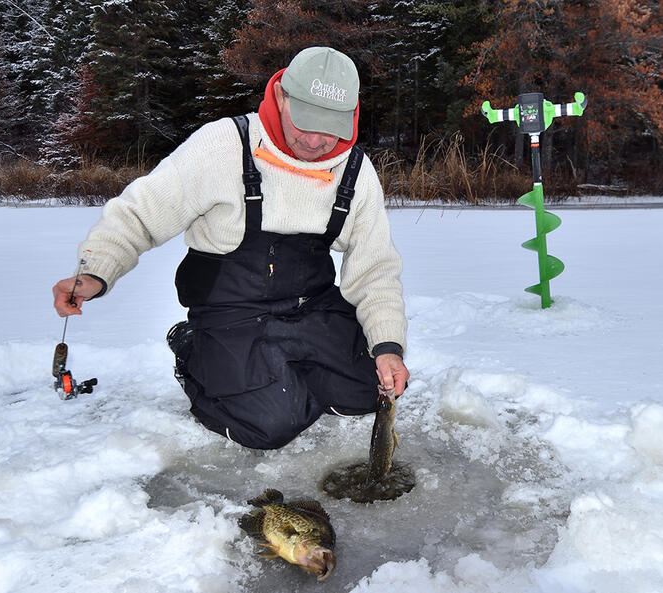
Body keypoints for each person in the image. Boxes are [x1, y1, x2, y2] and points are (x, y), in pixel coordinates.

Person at [52, 46, 409, 449]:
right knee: (271, 426)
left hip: (312, 307)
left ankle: (279, 368)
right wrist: (96, 270)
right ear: (281, 97)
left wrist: (387, 346)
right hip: (231, 312)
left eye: (329, 128)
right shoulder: (224, 144)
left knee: (369, 393)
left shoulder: (356, 171)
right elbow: (140, 213)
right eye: (306, 121)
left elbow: (374, 269)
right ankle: (193, 351)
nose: (314, 140)